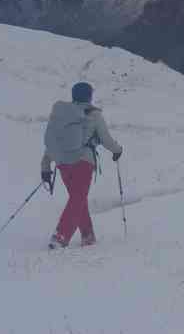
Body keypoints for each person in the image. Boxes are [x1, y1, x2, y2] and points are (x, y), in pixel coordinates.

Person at [41, 82, 123, 248]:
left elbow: (54, 142)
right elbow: (106, 139)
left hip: (62, 163)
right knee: (78, 198)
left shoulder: (63, 115)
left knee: (77, 198)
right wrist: (117, 150)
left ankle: (88, 235)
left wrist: (45, 166)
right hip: (83, 162)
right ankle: (60, 236)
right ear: (89, 96)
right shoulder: (93, 115)